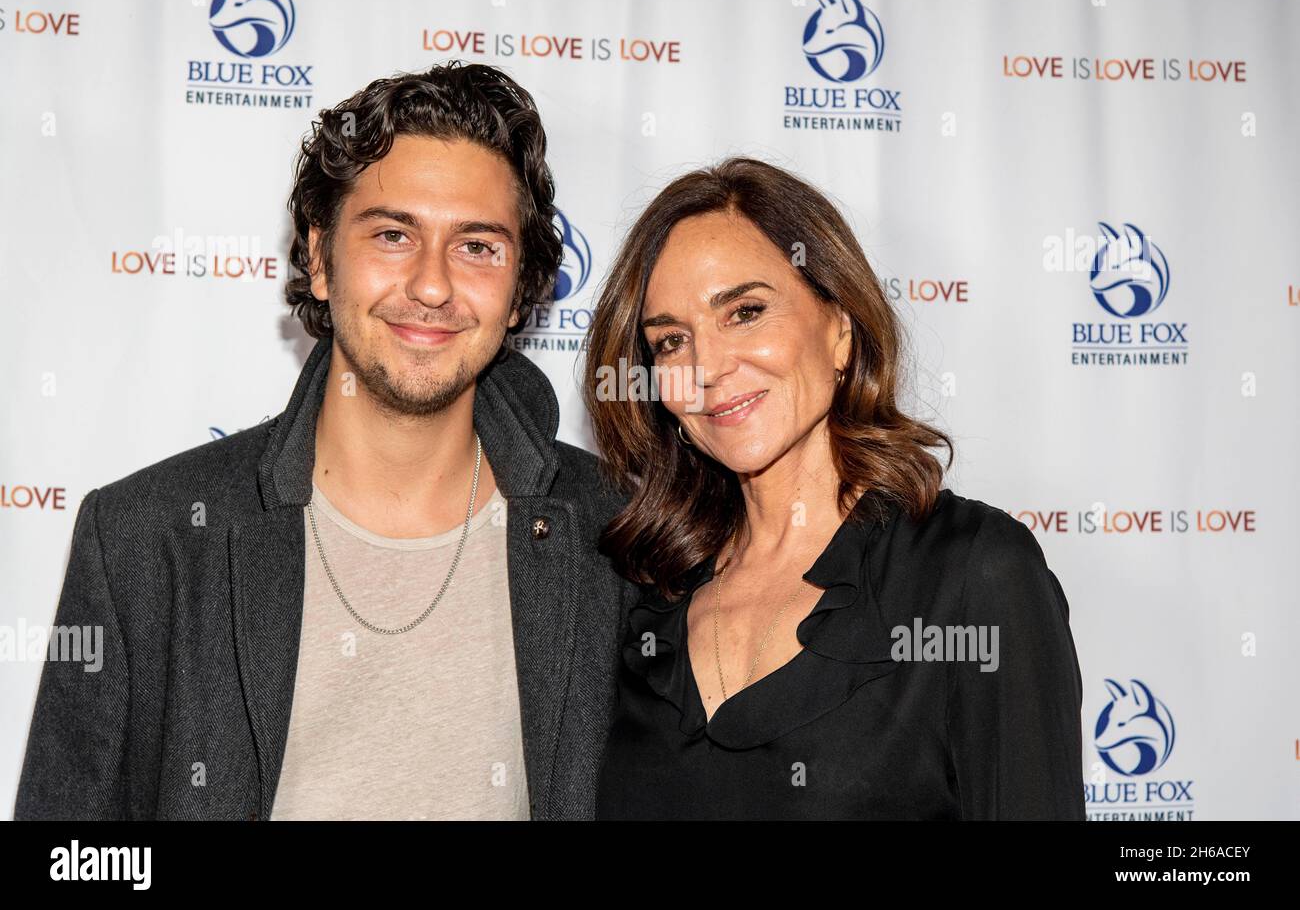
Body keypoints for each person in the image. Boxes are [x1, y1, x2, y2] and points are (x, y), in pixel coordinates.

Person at [14, 61, 636, 821]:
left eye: (477, 246)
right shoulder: (149, 536)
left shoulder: (617, 538)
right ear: (318, 258)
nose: (433, 286)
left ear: (521, 289)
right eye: (392, 234)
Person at [585, 157, 1085, 819]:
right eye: (672, 341)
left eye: (745, 312)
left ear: (840, 329)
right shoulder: (646, 595)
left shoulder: (971, 575)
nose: (707, 367)